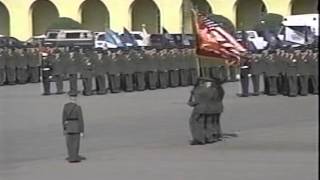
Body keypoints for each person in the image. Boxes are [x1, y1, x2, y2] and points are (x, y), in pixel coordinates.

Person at [187, 77, 225, 145]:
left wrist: (193, 93)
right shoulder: (218, 89)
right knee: (210, 123)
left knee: (196, 123)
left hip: (201, 109)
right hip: (216, 108)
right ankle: (211, 137)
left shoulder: (200, 90)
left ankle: (199, 139)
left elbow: (193, 102)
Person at [62, 96, 86, 163]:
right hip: (76, 126)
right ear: (75, 99)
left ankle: (70, 156)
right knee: (76, 142)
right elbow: (80, 119)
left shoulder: (65, 106)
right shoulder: (77, 107)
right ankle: (74, 157)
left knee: (69, 143)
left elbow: (63, 118)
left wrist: (64, 128)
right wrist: (82, 131)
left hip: (68, 126)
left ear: (69, 99)